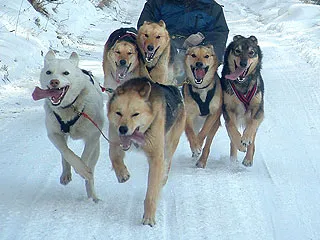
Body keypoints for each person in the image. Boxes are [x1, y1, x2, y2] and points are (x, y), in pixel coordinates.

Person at [137, 0, 229, 66]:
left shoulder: (212, 8)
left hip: (195, 62)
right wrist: (168, 43)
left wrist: (201, 38)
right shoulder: (157, 2)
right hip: (160, 56)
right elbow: (144, 27)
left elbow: (219, 35)